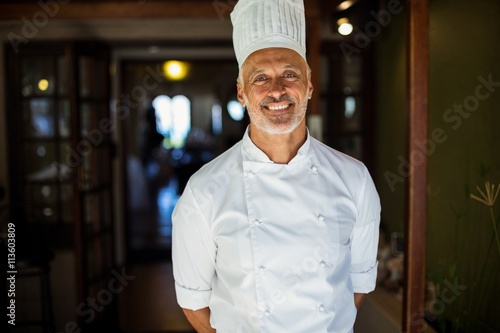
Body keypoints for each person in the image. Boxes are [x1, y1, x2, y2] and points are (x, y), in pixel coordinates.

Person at [171, 0, 381, 332]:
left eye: (289, 73)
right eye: (260, 78)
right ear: (241, 93)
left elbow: (359, 283)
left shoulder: (354, 178)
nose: (277, 90)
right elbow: (194, 304)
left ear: (309, 84)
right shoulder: (204, 191)